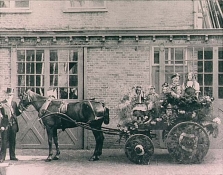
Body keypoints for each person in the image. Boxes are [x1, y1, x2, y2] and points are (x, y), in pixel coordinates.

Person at [0, 87, 21, 163]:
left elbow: (16, 113)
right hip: (5, 125)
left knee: (13, 140)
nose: (10, 96)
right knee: (4, 141)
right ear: (6, 95)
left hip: (13, 124)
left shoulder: (14, 103)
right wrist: (1, 126)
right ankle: (2, 157)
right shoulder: (2, 103)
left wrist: (21, 111)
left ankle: (12, 156)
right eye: (9, 95)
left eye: (11, 95)